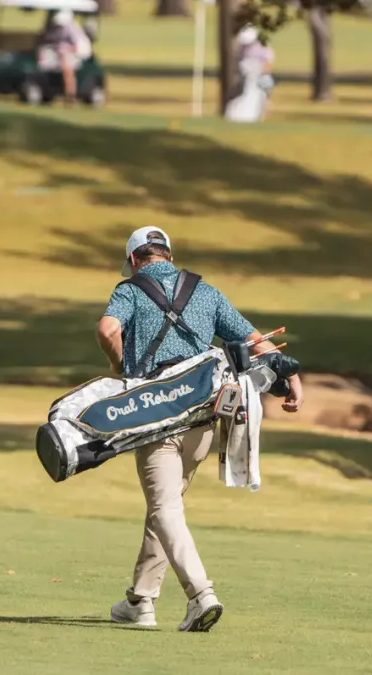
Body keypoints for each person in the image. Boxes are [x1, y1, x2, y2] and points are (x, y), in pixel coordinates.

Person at [95, 226, 304, 632]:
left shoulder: (130, 289)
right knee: (166, 504)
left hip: (154, 414)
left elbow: (107, 330)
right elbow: (257, 342)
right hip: (204, 417)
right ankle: (141, 599)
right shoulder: (205, 291)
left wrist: (118, 364)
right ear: (168, 255)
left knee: (165, 506)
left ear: (136, 260)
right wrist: (293, 380)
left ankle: (200, 595)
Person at [38, 9, 92, 101]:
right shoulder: (60, 28)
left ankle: (70, 93)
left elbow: (77, 46)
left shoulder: (72, 29)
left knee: (66, 66)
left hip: (78, 52)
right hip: (62, 52)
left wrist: (65, 49)